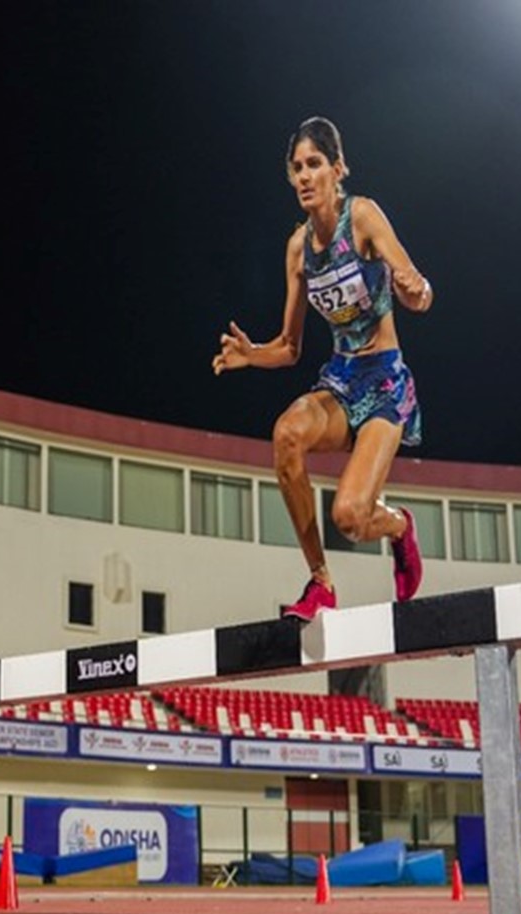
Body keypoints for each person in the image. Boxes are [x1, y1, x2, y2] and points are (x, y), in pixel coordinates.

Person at [212, 116, 432, 621]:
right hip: (340, 380)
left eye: (314, 165)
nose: (305, 176)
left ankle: (398, 526)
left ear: (337, 170)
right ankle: (320, 582)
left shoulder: (364, 218)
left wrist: (416, 290)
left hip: (384, 383)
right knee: (286, 432)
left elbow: (416, 288)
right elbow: (289, 347)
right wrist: (252, 355)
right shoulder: (297, 249)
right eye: (296, 168)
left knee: (351, 517)